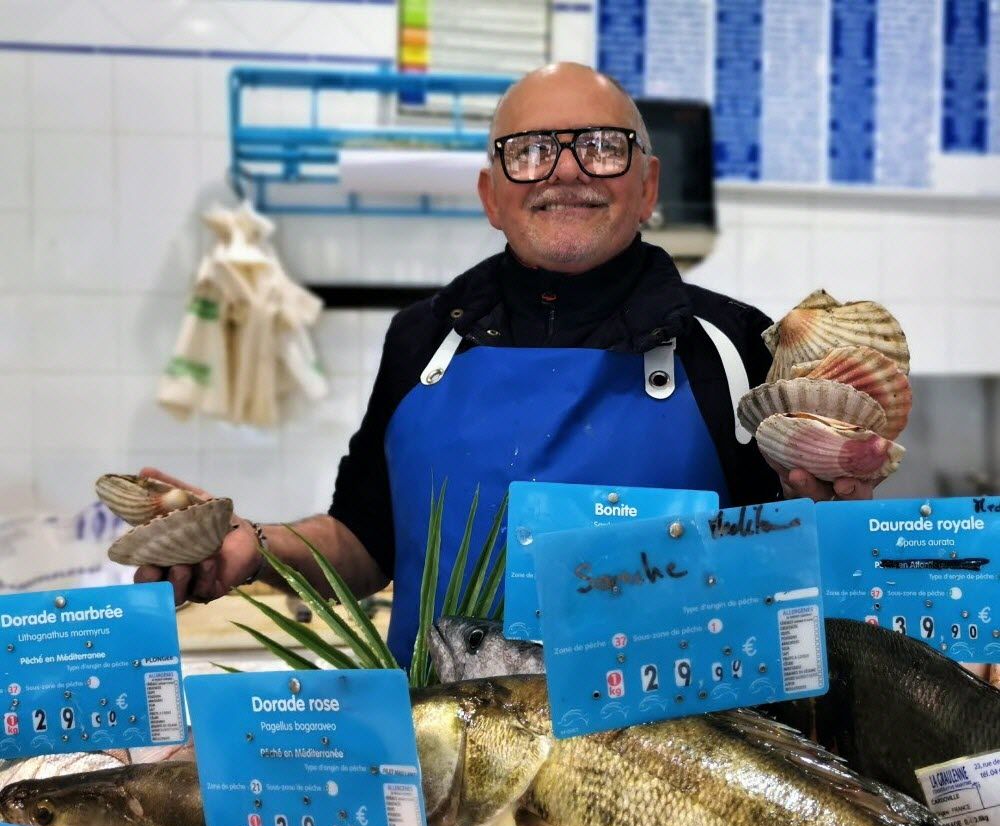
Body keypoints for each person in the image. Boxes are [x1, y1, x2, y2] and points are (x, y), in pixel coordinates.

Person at [136, 63, 874, 665]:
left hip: (672, 783)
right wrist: (253, 545)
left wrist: (834, 502)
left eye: (602, 146)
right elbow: (363, 541)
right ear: (491, 195)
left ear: (647, 183)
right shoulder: (421, 339)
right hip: (453, 779)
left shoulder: (733, 345)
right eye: (528, 152)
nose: (565, 172)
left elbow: (793, 571)